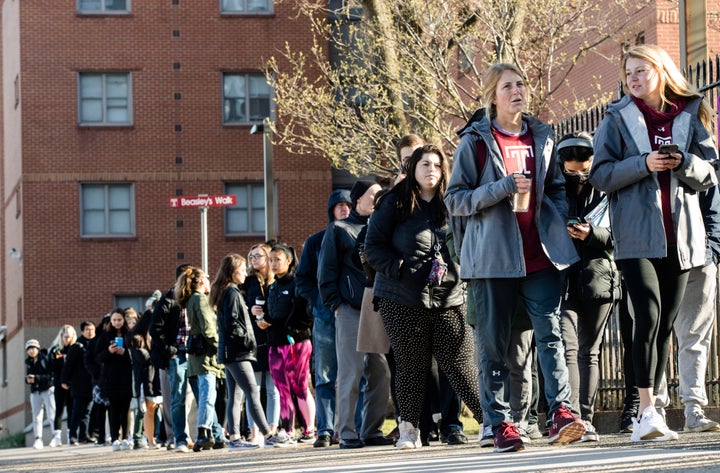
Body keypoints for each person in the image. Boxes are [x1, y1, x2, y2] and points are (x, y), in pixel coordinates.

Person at [444, 62, 584, 453]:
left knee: (550, 334)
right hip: (493, 259)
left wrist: (554, 219)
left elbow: (556, 186)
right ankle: (501, 421)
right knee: (494, 343)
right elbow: (455, 200)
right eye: (508, 86)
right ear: (493, 95)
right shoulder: (475, 141)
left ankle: (562, 413)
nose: (517, 91)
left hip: (539, 255)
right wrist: (502, 187)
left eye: (520, 84)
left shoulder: (542, 135)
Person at [590, 44, 718, 442]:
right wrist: (642, 164)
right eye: (628, 73)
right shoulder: (615, 118)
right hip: (635, 238)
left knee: (664, 326)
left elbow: (711, 172)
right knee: (646, 316)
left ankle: (655, 413)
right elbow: (601, 175)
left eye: (641, 71)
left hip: (682, 239)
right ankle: (646, 411)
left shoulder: (690, 113)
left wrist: (684, 163)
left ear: (660, 72)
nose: (633, 79)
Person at [365, 144, 484, 449]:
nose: (431, 169)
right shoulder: (394, 202)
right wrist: (401, 268)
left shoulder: (453, 200)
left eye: (437, 164)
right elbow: (373, 248)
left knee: (461, 364)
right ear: (412, 168)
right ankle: (409, 430)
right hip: (402, 297)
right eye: (424, 164)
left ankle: (491, 423)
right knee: (411, 365)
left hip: (450, 296)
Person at [318, 179, 393, 449]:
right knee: (350, 372)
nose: (378, 198)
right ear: (358, 198)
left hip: (376, 307)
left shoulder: (380, 227)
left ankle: (371, 431)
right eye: (374, 194)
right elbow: (325, 272)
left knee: (380, 372)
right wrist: (336, 304)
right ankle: (347, 433)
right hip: (349, 308)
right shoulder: (339, 229)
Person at [557, 131, 621, 443]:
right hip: (563, 277)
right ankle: (571, 417)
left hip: (598, 277)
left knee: (590, 352)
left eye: (585, 167)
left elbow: (621, 234)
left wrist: (591, 234)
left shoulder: (608, 185)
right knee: (568, 347)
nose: (579, 174)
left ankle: (586, 417)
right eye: (572, 169)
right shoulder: (554, 189)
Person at [210, 253, 293, 450]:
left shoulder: (228, 291)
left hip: (230, 352)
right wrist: (249, 341)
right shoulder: (231, 293)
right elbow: (233, 324)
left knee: (235, 396)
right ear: (232, 272)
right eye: (241, 269)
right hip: (238, 352)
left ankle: (235, 438)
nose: (245, 272)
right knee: (252, 392)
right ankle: (268, 434)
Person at [295, 188, 352, 447]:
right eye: (339, 206)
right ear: (331, 210)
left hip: (354, 313)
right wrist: (317, 300)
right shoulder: (316, 241)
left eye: (348, 205)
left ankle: (353, 428)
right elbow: (302, 279)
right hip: (325, 316)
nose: (344, 209)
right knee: (325, 376)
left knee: (356, 375)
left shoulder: (360, 236)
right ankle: (325, 430)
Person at [255, 244, 316, 443]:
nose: (273, 264)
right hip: (275, 343)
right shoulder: (272, 287)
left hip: (297, 342)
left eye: (277, 259)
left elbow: (305, 314)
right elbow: (273, 315)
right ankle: (288, 431)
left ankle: (308, 431)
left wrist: (291, 328)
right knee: (282, 389)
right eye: (270, 260)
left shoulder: (298, 284)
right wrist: (262, 319)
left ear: (288, 261)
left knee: (300, 386)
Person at [175, 266, 227, 452]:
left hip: (195, 358)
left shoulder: (189, 300)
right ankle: (204, 432)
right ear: (199, 282)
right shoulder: (200, 299)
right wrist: (219, 347)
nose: (209, 281)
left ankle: (217, 435)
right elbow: (208, 328)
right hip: (207, 356)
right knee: (208, 396)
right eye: (206, 278)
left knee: (204, 395)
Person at [149, 263, 195, 453]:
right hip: (173, 355)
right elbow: (155, 329)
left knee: (190, 398)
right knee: (173, 398)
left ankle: (189, 436)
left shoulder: (195, 299)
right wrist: (170, 350)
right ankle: (174, 437)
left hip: (191, 353)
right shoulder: (167, 301)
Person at [243, 242, 281, 443]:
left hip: (273, 336)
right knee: (254, 388)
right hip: (254, 339)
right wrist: (251, 311)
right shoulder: (247, 282)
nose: (254, 260)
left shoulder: (276, 281)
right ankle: (255, 431)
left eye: (258, 255)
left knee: (274, 387)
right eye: (251, 256)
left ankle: (272, 430)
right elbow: (240, 307)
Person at [94, 309, 133, 451]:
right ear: (111, 321)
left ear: (124, 320)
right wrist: (109, 351)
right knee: (114, 409)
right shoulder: (104, 336)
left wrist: (125, 352)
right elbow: (97, 357)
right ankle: (115, 438)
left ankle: (126, 438)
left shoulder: (129, 335)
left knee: (126, 409)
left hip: (126, 377)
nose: (117, 323)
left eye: (119, 320)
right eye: (114, 320)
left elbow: (136, 355)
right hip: (110, 378)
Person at [61, 321, 96, 445]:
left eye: (92, 329)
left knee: (87, 411)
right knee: (77, 411)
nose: (90, 332)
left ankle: (84, 436)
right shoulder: (77, 346)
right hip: (78, 384)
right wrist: (64, 380)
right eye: (87, 329)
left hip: (91, 383)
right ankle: (73, 436)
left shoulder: (95, 344)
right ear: (82, 331)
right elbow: (68, 364)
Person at [48, 325, 77, 447]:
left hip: (72, 384)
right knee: (59, 409)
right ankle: (57, 437)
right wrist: (61, 359)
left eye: (69, 337)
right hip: (59, 384)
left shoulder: (75, 349)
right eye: (65, 337)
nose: (67, 339)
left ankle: (71, 436)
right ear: (61, 337)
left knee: (72, 409)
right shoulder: (56, 350)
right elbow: (51, 367)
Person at [25, 339, 55, 449]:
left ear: (37, 348)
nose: (31, 351)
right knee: (36, 416)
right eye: (29, 349)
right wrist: (27, 379)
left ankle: (55, 436)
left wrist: (36, 378)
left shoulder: (45, 358)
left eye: (33, 348)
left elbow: (51, 375)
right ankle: (38, 439)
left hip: (47, 389)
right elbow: (29, 376)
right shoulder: (28, 362)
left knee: (51, 414)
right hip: (35, 391)